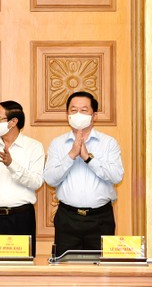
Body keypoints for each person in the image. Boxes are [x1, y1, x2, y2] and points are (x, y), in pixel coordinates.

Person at [44, 91, 124, 256]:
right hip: (67, 218)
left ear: (94, 115)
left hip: (100, 218)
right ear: (67, 114)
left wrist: (88, 158)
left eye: (84, 110)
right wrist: (71, 155)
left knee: (102, 273)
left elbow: (117, 176)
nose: (78, 114)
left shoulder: (109, 143)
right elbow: (50, 179)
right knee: (66, 272)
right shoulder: (57, 144)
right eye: (73, 110)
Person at [0, 100, 44, 256]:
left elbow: (36, 182)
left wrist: (12, 164)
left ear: (13, 121)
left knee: (23, 270)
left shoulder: (34, 147)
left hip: (22, 217)